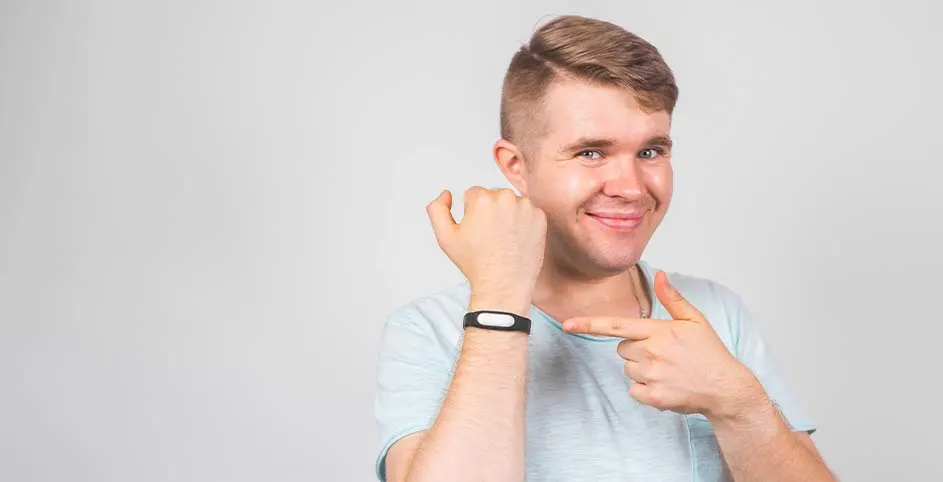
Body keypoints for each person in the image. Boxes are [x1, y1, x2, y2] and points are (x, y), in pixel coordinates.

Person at [372, 14, 835, 482]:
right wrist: (499, 302)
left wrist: (737, 403)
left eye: (651, 151)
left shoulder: (715, 314)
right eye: (591, 152)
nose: (631, 188)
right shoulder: (429, 331)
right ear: (515, 165)